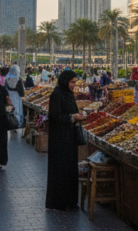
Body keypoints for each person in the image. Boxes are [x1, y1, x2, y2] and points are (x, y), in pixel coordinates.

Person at [45, 70, 86, 210]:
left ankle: (70, 202)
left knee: (70, 171)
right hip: (59, 140)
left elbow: (70, 112)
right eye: (72, 82)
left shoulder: (68, 95)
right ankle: (60, 202)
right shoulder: (56, 95)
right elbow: (55, 117)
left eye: (75, 82)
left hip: (69, 139)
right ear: (65, 81)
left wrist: (77, 115)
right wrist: (73, 117)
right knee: (61, 171)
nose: (74, 85)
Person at [4, 65, 25, 132]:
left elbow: (5, 88)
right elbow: (22, 93)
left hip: (9, 96)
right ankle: (17, 125)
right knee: (17, 111)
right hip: (16, 97)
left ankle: (9, 123)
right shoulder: (19, 80)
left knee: (10, 110)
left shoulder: (7, 78)